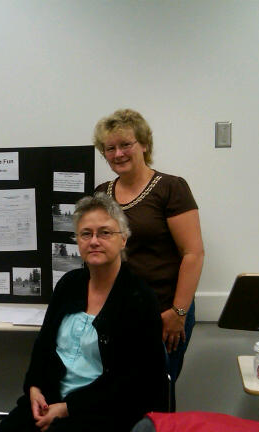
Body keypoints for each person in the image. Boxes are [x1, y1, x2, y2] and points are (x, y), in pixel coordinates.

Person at [0, 193, 168, 432]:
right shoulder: (69, 285)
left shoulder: (139, 299)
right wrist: (34, 388)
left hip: (106, 412)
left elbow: (133, 383)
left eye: (105, 233)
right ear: (77, 241)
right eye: (86, 233)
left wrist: (67, 409)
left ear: (123, 239)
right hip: (51, 399)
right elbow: (44, 346)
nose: (94, 241)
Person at [93, 108, 204, 382]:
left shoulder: (171, 188)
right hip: (117, 313)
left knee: (157, 392)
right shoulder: (101, 194)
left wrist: (178, 313)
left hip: (164, 313)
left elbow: (193, 253)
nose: (118, 154)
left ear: (143, 144)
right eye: (110, 148)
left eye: (125, 144)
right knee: (116, 392)